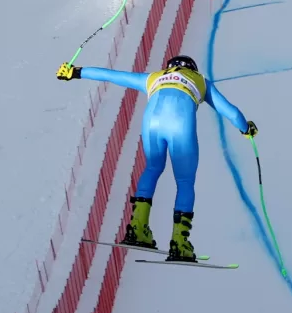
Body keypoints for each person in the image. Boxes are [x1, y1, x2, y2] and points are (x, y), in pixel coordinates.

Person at [57, 55, 255, 262]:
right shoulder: (201, 81)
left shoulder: (154, 77)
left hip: (152, 123)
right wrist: (246, 128)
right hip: (180, 125)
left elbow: (112, 75)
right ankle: (179, 243)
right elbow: (232, 113)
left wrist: (76, 72)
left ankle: (137, 227)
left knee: (152, 168)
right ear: (192, 68)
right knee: (185, 182)